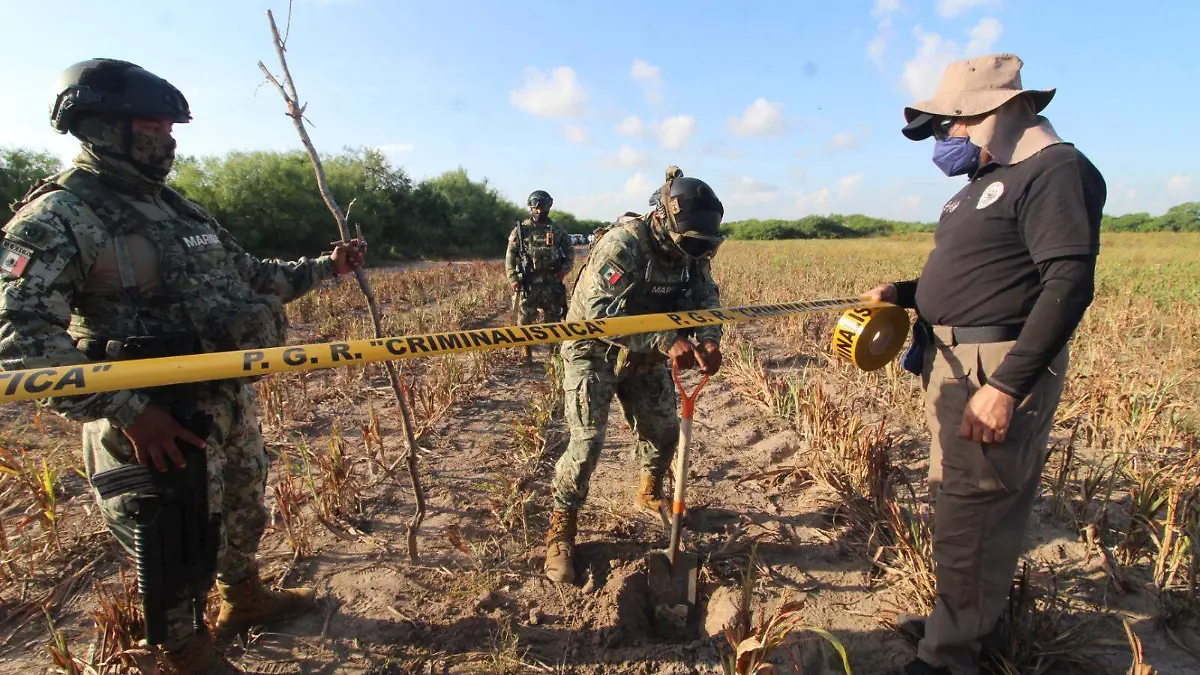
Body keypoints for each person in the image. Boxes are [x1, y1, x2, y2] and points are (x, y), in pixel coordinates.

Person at [0, 58, 367, 674]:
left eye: (173, 129)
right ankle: (184, 650)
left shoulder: (179, 210)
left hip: (222, 400)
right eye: (156, 126)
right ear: (101, 126)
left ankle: (244, 598)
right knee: (173, 536)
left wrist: (329, 266)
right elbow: (20, 337)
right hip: (152, 421)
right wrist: (129, 413)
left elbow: (255, 278)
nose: (169, 139)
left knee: (245, 503)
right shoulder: (59, 218)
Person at [863, 54, 1106, 675]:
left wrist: (1004, 386)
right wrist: (907, 291)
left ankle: (948, 657)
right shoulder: (986, 182)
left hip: (991, 363)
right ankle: (959, 623)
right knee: (959, 503)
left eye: (953, 125)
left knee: (973, 509)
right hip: (951, 360)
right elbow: (986, 272)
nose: (947, 139)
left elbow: (1067, 283)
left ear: (997, 110)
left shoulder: (1056, 171)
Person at [543, 167, 726, 583]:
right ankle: (562, 526)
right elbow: (598, 314)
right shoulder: (622, 245)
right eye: (691, 245)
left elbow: (706, 298)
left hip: (645, 354)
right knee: (587, 443)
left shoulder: (691, 254)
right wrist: (666, 338)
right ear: (662, 221)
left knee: (664, 431)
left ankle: (650, 491)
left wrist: (709, 338)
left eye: (704, 247)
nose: (695, 255)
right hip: (594, 350)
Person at [504, 190, 574, 363]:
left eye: (541, 207)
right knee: (525, 318)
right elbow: (510, 256)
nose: (537, 210)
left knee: (553, 319)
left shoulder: (556, 230)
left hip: (551, 282)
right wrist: (513, 278)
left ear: (548, 206)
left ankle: (554, 355)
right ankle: (526, 352)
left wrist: (564, 270)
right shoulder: (521, 230)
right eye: (534, 207)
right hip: (529, 283)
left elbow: (570, 252)